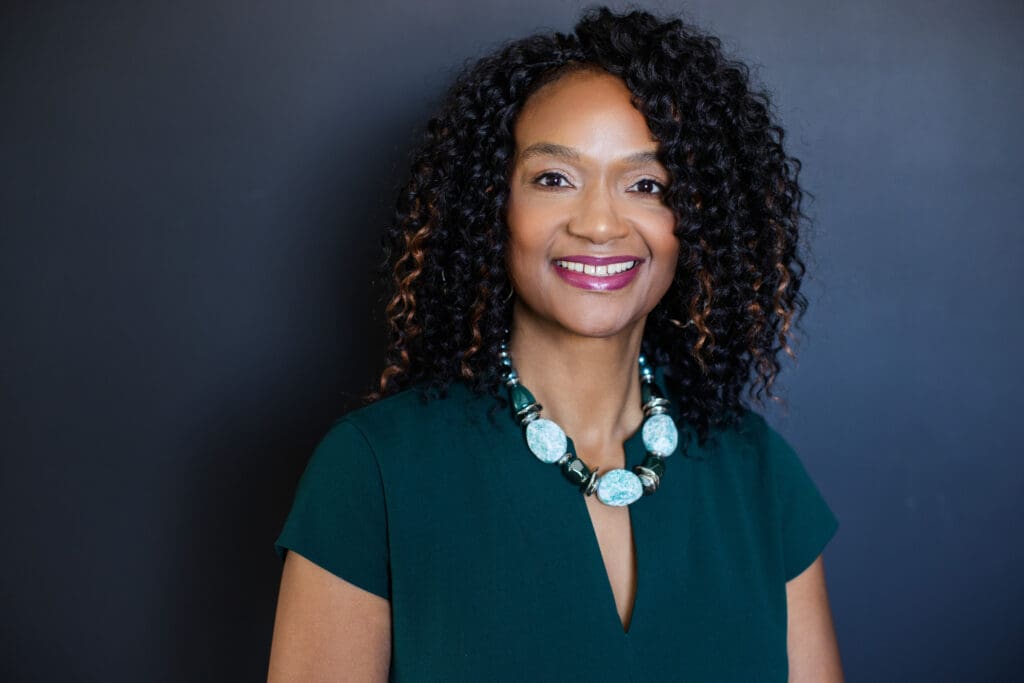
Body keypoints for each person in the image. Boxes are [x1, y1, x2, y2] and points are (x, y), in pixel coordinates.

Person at [267, 7, 843, 681]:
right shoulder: (374, 470)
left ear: (695, 221)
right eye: (554, 179)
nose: (599, 223)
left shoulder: (758, 473)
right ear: (494, 205)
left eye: (646, 185)